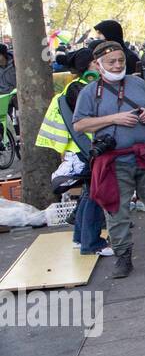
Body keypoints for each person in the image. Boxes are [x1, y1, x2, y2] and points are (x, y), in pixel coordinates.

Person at [73, 41, 145, 279]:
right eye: (111, 62)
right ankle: (123, 257)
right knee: (117, 211)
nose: (116, 65)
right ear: (99, 64)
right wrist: (114, 119)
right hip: (114, 162)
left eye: (120, 61)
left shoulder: (138, 83)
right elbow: (80, 125)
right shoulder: (89, 92)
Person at [35, 48, 111, 257]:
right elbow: (85, 124)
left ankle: (82, 239)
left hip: (83, 151)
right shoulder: (81, 88)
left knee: (89, 195)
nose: (104, 65)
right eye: (99, 62)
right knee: (94, 196)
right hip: (87, 151)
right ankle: (91, 242)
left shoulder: (76, 86)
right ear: (90, 66)